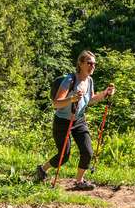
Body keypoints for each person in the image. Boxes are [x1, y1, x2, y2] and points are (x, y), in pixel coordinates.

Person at [36, 50, 115, 190]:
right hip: (63, 121)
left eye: (94, 64)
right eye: (89, 63)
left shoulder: (90, 80)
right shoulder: (70, 80)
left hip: (78, 120)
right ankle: (42, 169)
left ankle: (79, 181)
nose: (92, 66)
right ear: (80, 63)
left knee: (87, 151)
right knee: (64, 156)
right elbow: (56, 103)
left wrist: (105, 94)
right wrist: (71, 99)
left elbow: (89, 100)